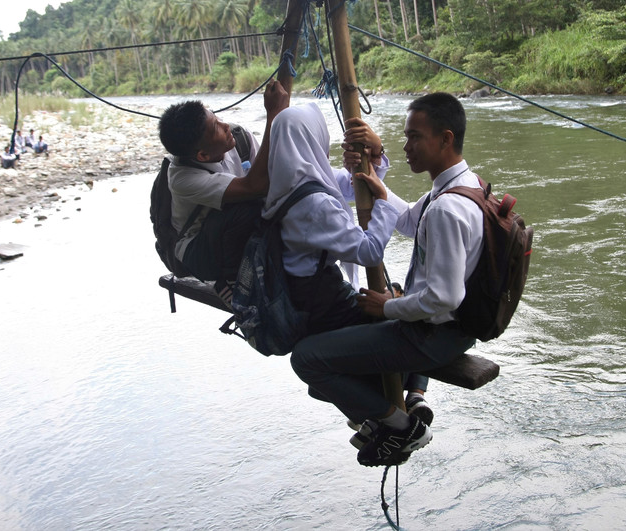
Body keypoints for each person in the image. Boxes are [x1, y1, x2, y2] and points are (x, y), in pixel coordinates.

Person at [291, 92, 484, 468]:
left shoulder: (447, 207)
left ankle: (399, 426)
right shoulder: (461, 185)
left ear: (445, 138)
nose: (406, 147)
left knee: (307, 359)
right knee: (327, 369)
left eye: (415, 137)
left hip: (432, 336)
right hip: (447, 328)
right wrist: (380, 186)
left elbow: (443, 298)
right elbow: (413, 221)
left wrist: (387, 306)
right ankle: (400, 405)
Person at [264, 103, 398, 339]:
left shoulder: (283, 178)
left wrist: (374, 154)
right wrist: (383, 200)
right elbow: (369, 252)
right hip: (320, 301)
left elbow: (350, 183)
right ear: (312, 138)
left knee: (393, 296)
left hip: (297, 289)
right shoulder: (315, 204)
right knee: (396, 316)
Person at [157, 79, 289, 304]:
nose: (225, 125)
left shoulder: (239, 138)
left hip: (230, 231)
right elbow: (254, 187)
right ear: (203, 156)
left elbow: (272, 174)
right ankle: (230, 280)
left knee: (281, 202)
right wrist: (275, 114)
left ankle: (268, 263)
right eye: (216, 127)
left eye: (217, 118)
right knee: (246, 206)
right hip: (198, 249)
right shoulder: (182, 177)